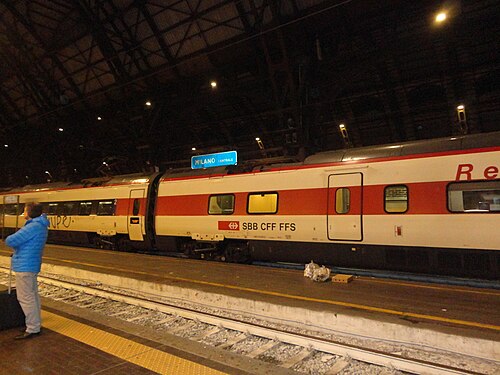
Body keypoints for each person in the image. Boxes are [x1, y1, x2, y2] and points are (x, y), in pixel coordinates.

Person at [5, 202, 49, 339]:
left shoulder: (33, 227)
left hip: (25, 265)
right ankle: (35, 324)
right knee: (32, 295)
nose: (23, 213)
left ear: (29, 213)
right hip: (30, 264)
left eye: (24, 211)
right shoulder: (40, 225)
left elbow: (10, 240)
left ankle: (32, 328)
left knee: (25, 297)